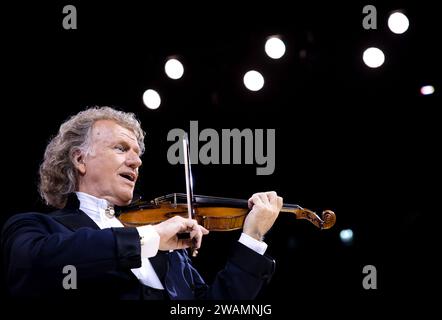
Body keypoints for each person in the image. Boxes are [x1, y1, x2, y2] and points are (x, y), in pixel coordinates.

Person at [1, 106, 282, 299]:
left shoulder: (170, 252)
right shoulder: (39, 228)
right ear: (79, 159)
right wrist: (150, 237)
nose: (136, 161)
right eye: (121, 148)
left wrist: (252, 237)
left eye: (137, 154)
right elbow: (34, 264)